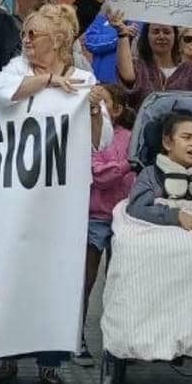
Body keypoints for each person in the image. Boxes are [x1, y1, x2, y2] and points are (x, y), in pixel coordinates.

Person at [0, 2, 93, 384]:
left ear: (59, 40)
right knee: (12, 267)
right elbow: (1, 92)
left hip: (57, 197)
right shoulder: (18, 69)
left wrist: (96, 106)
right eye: (25, 34)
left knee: (54, 272)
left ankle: (49, 365)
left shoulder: (82, 77)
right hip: (14, 190)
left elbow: (95, 138)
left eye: (34, 35)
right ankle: (7, 357)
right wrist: (48, 82)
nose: (26, 40)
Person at [75, 81, 134, 366]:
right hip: (92, 217)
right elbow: (99, 174)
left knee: (119, 282)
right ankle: (77, 337)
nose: (94, 110)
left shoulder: (128, 137)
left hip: (122, 218)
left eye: (101, 104)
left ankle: (117, 342)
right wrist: (126, 165)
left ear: (118, 110)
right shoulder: (85, 135)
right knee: (84, 281)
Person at [113, 18, 192, 108]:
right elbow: (127, 76)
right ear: (147, 36)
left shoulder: (190, 71)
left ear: (175, 37)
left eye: (167, 32)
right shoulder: (140, 68)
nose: (161, 36)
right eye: (155, 32)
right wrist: (123, 35)